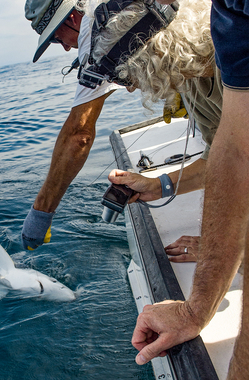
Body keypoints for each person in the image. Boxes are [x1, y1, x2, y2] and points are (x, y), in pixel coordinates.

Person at [105, 0, 249, 376]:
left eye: (126, 77)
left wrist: (231, 247)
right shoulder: (197, 76)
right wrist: (159, 184)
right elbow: (231, 155)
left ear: (151, 54)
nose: (130, 87)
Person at [22, 0, 121, 250]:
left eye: (57, 37)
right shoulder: (113, 8)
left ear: (73, 18)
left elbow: (79, 135)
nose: (66, 47)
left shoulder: (92, 26)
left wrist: (40, 216)